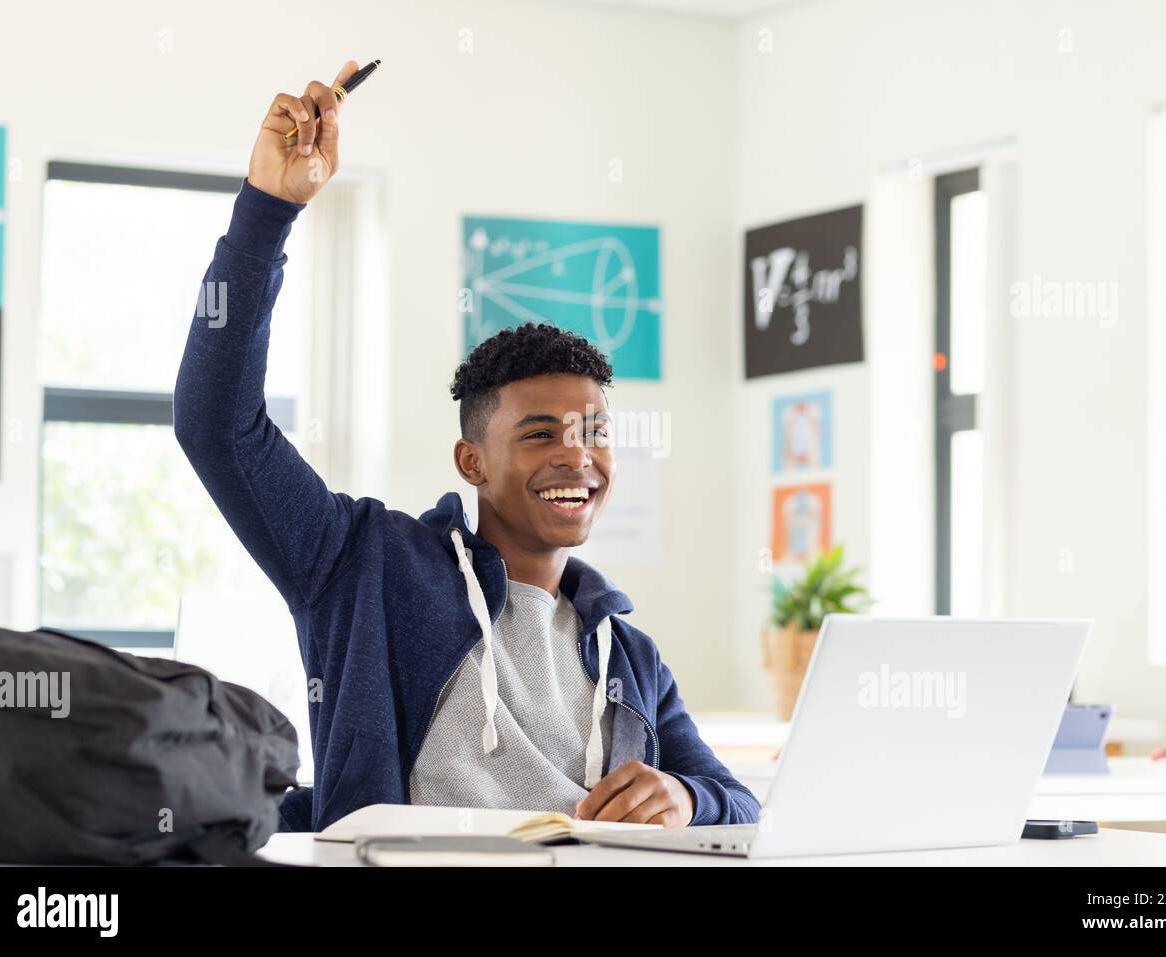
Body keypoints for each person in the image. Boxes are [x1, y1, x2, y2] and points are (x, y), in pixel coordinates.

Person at [173, 61, 759, 832]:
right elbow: (216, 422)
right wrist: (266, 212)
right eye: (541, 433)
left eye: (593, 432)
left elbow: (739, 802)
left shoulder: (629, 651)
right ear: (472, 461)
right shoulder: (365, 563)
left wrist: (688, 796)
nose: (578, 457)